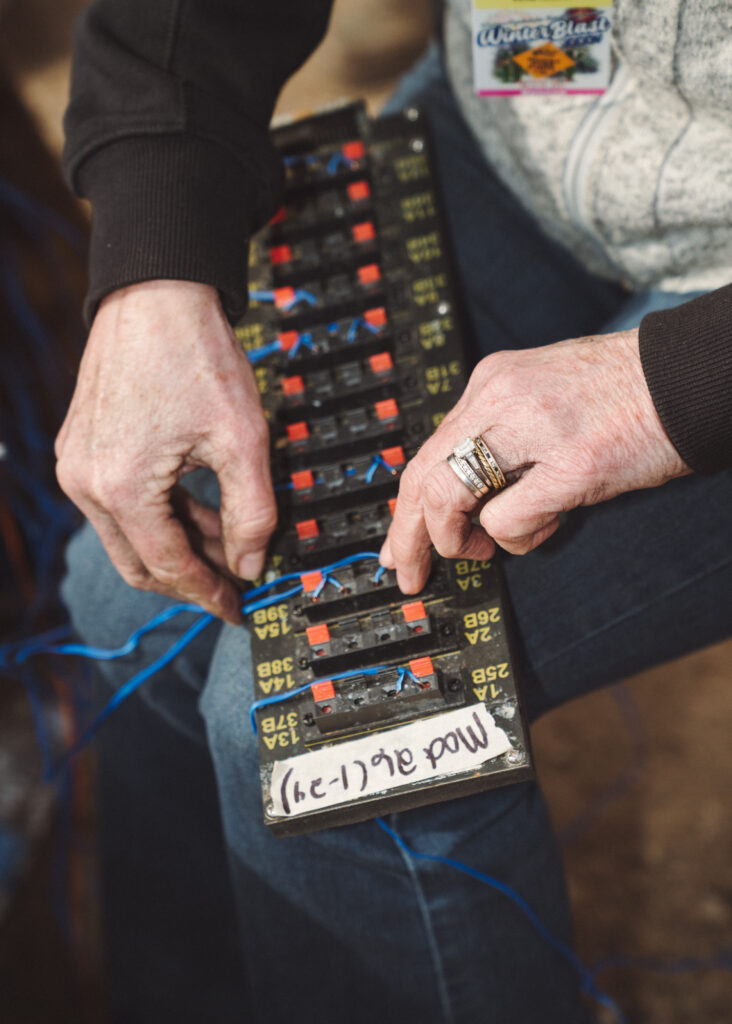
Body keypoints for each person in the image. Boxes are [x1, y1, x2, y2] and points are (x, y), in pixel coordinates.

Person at [57, 2, 732, 1022]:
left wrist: (670, 387)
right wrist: (155, 244)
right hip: (535, 91)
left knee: (329, 741)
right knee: (121, 597)